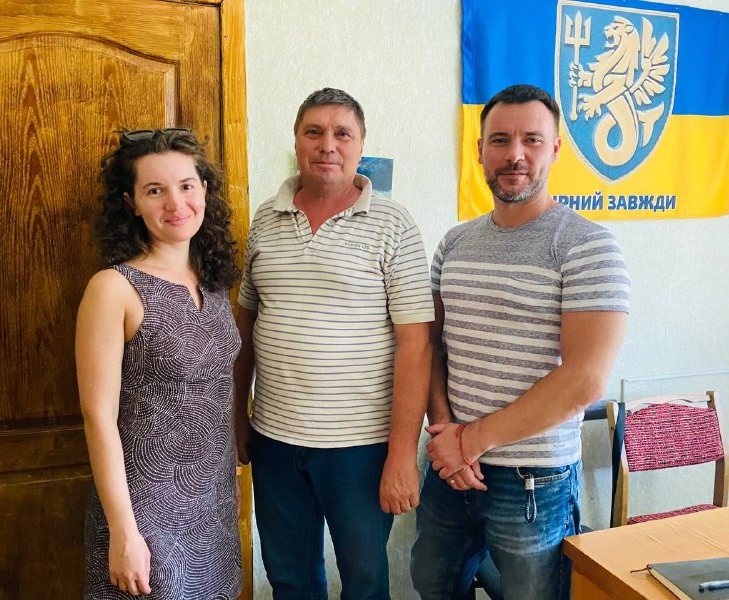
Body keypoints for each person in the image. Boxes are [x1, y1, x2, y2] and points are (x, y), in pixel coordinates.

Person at [410, 84, 630, 600]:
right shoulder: (454, 242)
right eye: (500, 140)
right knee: (432, 582)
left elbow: (584, 380)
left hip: (535, 480)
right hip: (450, 466)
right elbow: (433, 347)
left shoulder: (587, 244)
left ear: (555, 149)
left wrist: (471, 441)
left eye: (532, 140)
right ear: (480, 150)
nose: (515, 154)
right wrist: (446, 432)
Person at [233, 88, 434, 599]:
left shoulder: (394, 225)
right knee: (291, 580)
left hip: (361, 450)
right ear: (296, 142)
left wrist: (402, 455)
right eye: (314, 132)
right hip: (275, 441)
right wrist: (237, 413)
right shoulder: (265, 219)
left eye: (342, 134)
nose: (328, 145)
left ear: (360, 146)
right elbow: (245, 326)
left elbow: (416, 347)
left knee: (364, 583)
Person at [76, 128, 242, 599]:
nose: (176, 203)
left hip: (212, 505)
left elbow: (218, 388)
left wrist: (229, 471)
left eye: (186, 186)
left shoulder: (213, 283)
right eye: (155, 190)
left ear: (204, 191)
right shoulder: (113, 288)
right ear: (131, 203)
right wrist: (123, 531)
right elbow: (97, 416)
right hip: (143, 510)